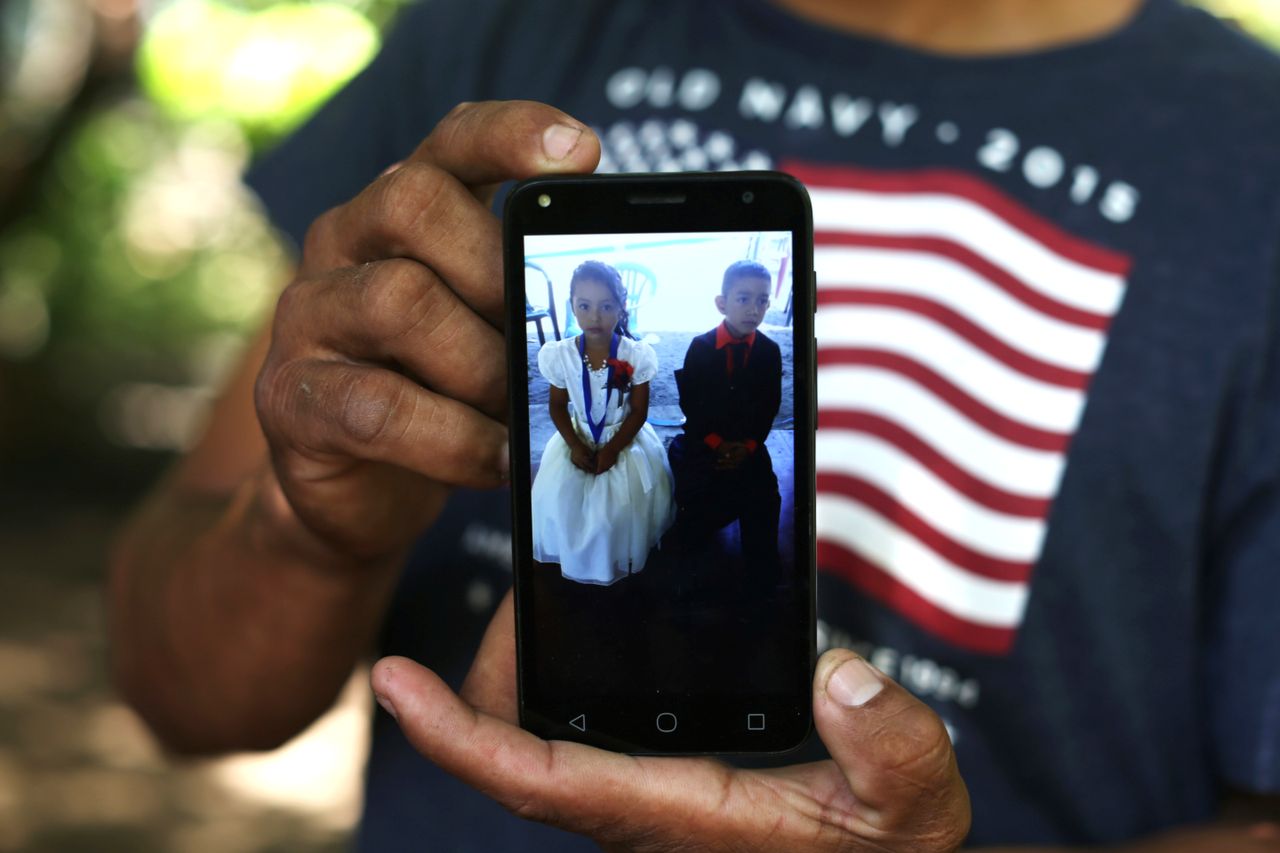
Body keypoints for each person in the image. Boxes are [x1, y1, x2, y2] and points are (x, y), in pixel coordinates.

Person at [107, 0, 1280, 850]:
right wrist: (314, 530)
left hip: (696, 478)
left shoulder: (1247, 151)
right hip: (649, 476)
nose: (738, 302)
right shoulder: (495, 32)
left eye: (747, 294)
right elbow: (184, 693)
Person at [531, 260, 672, 584]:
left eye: (606, 306)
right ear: (573, 307)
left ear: (621, 308)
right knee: (557, 504)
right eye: (585, 306)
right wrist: (575, 445)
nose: (595, 316)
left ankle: (614, 561)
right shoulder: (560, 354)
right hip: (578, 434)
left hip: (623, 437)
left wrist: (611, 450)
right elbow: (556, 406)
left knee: (619, 512)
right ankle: (574, 559)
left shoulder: (635, 355)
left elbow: (638, 411)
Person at [667, 260, 782, 577]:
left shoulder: (769, 351)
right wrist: (717, 444)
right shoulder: (700, 347)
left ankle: (762, 574)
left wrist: (747, 445)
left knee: (766, 498)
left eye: (762, 300)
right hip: (706, 439)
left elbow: (769, 405)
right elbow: (692, 404)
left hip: (748, 442)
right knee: (697, 505)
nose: (753, 309)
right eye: (743, 299)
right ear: (722, 303)